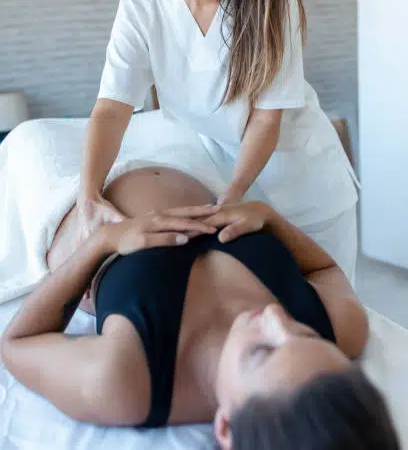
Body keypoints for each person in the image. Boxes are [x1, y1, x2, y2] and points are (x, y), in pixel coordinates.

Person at [76, 0, 359, 284]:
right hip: (225, 183)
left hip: (304, 187)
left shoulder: (270, 4)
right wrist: (88, 195)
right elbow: (112, 110)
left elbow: (266, 120)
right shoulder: (141, 12)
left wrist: (234, 194)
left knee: (326, 325)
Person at [1, 167, 399, 448]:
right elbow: (326, 269)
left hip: (73, 191)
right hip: (196, 161)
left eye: (261, 352)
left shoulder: (125, 381)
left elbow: (18, 343)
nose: (276, 318)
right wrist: (269, 219)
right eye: (303, 333)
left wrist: (103, 243)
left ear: (225, 428)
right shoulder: (341, 327)